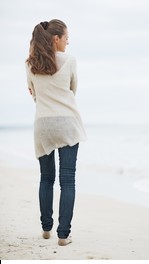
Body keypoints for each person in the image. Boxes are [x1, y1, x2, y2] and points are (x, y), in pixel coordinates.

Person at [25, 19, 86, 246]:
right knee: (67, 180)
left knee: (46, 178)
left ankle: (46, 229)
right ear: (56, 38)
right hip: (67, 123)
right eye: (66, 38)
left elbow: (34, 95)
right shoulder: (69, 60)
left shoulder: (30, 64)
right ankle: (63, 235)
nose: (68, 42)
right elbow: (73, 89)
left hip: (43, 125)